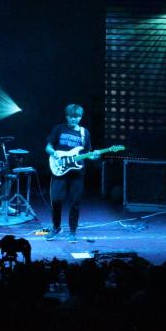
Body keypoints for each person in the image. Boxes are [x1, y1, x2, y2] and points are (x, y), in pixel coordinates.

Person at [45, 103, 99, 242]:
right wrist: (54, 153)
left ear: (80, 117)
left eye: (77, 117)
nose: (74, 119)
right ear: (67, 116)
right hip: (59, 169)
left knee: (75, 202)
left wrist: (93, 156)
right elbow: (48, 147)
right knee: (56, 199)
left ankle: (72, 231)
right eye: (71, 116)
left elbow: (87, 153)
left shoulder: (84, 133)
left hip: (77, 173)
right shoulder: (59, 129)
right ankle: (56, 227)